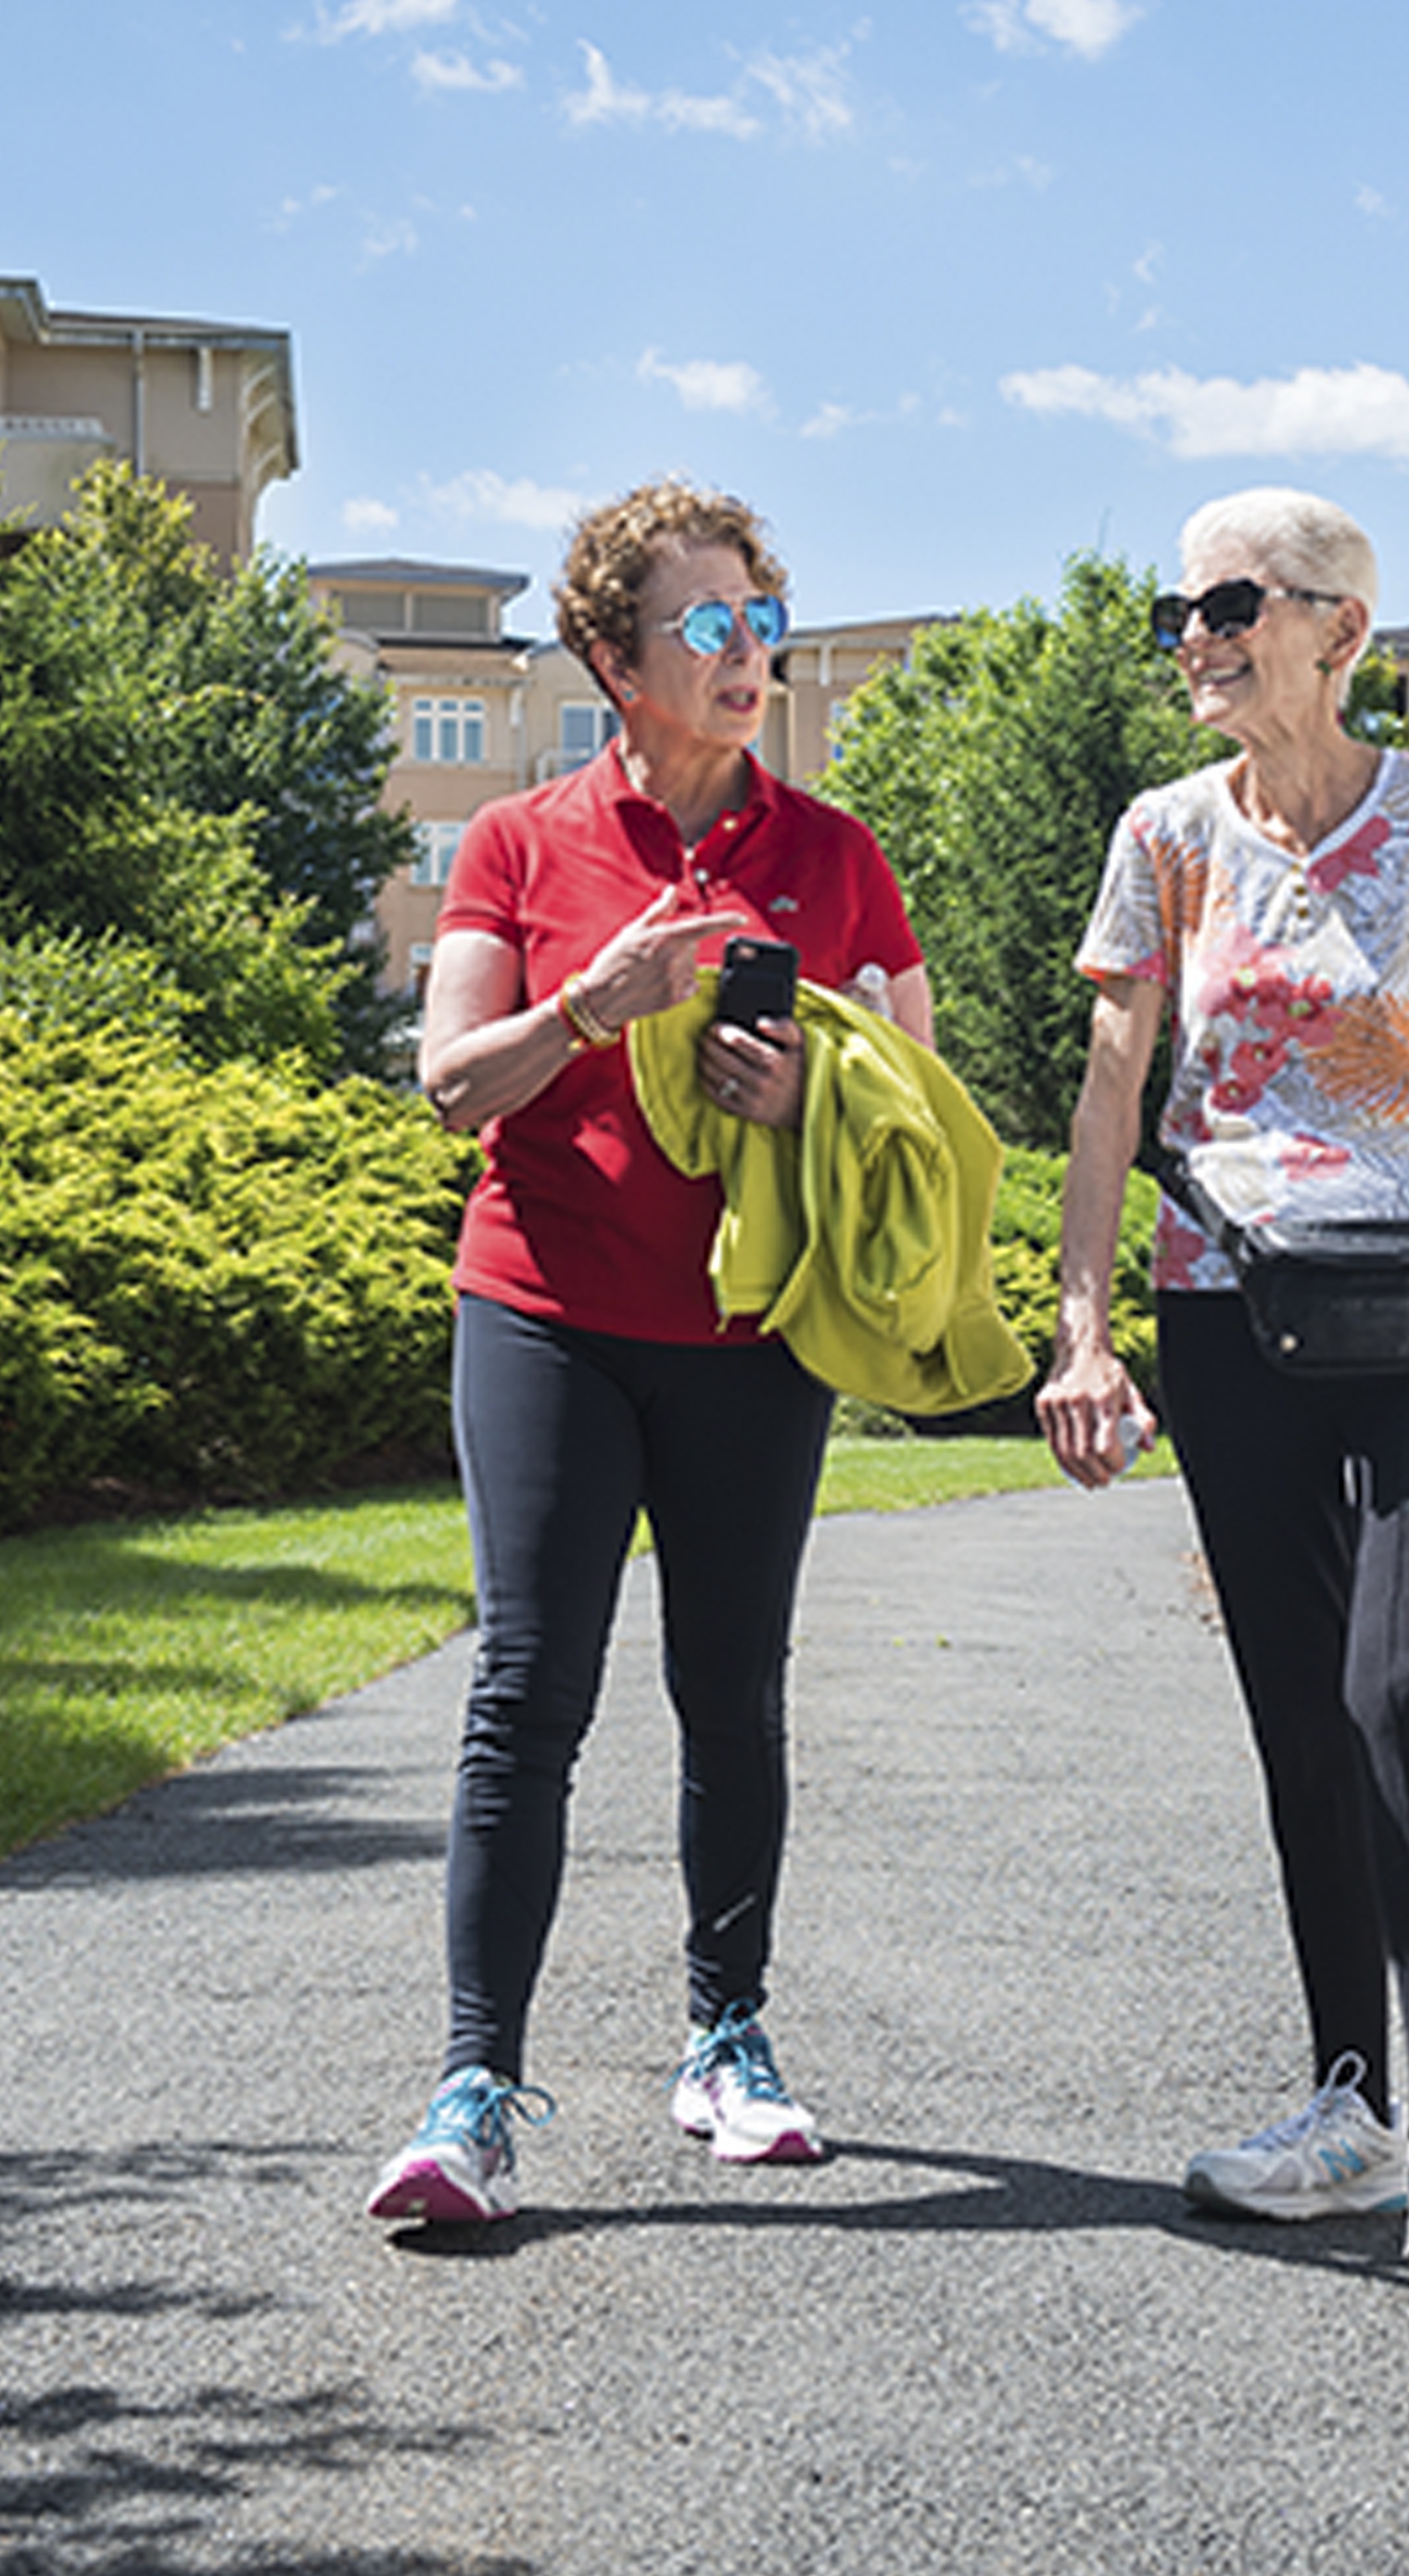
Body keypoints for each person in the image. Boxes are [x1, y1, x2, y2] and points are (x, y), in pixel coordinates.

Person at [1036, 484, 1409, 2272]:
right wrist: (1082, 1328)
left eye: (1233, 604)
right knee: (1302, 1713)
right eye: (1183, 610)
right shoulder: (1167, 836)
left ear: (1338, 631)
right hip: (1235, 1313)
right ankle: (1350, 2102)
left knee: (1406, 1683)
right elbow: (1112, 1091)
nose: (1198, 638)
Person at [366, 478, 935, 2229]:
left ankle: (728, 2035)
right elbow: (448, 1081)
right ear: (613, 660)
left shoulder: (833, 856)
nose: (746, 649)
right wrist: (590, 1006)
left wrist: (804, 1092)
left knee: (729, 1690)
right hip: (541, 1309)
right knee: (524, 1694)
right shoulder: (521, 844)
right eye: (705, 624)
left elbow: (917, 1099)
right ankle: (473, 2089)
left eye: (757, 615)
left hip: (752, 1337)